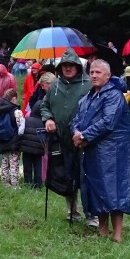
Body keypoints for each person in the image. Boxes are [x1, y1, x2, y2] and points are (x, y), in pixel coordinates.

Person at [72, 60, 130, 242]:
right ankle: (102, 229)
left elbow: (108, 121)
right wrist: (76, 132)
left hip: (113, 152)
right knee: (97, 189)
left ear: (108, 76)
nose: (94, 75)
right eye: (91, 72)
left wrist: (83, 136)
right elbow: (76, 118)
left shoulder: (114, 96)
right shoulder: (88, 97)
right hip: (93, 150)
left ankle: (117, 234)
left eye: (98, 72)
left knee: (115, 190)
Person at [40, 49, 92, 225]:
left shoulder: (88, 85)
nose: (68, 68)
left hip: (84, 140)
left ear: (77, 67)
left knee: (86, 177)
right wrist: (48, 118)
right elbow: (44, 106)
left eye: (71, 65)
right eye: (64, 65)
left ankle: (91, 214)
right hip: (62, 141)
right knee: (66, 176)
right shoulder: (55, 86)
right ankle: (72, 211)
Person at [0, 89, 25, 188]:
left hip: (2, 139)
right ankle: (15, 185)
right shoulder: (16, 111)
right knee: (14, 163)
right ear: (14, 98)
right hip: (13, 140)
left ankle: (5, 183)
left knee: (5, 162)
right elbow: (21, 127)